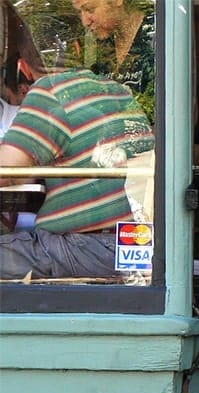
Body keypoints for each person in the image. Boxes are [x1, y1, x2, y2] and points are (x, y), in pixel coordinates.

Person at [0, 5, 155, 279]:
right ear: (78, 49)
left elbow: (7, 171)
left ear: (22, 67)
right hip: (136, 244)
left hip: (87, 248)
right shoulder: (116, 90)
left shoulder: (50, 93)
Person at [71, 0, 155, 122]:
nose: (85, 22)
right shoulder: (99, 44)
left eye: (90, 9)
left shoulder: (158, 34)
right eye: (80, 12)